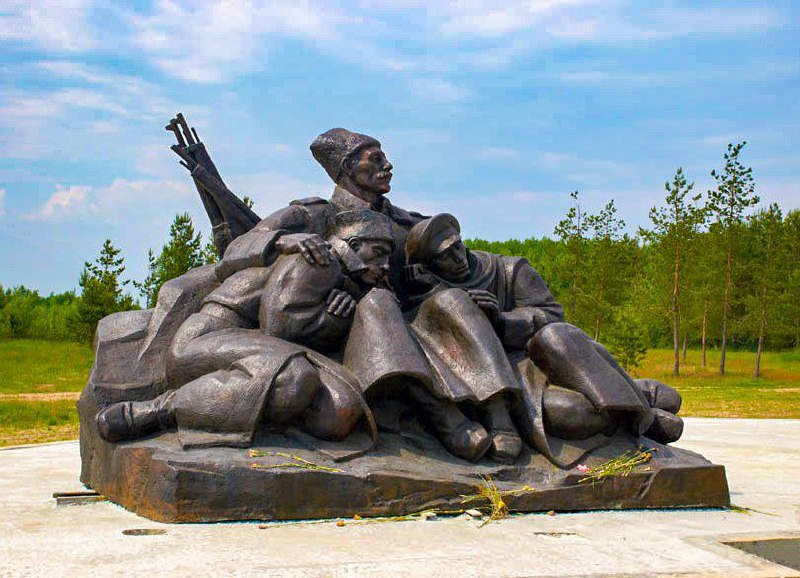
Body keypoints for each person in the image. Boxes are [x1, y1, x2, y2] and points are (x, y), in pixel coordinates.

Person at [95, 209, 398, 448]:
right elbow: (280, 326)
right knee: (295, 378)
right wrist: (336, 319)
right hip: (206, 338)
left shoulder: (340, 276)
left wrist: (345, 302)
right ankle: (157, 411)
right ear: (354, 245)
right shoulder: (321, 258)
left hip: (245, 346)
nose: (386, 265)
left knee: (340, 409)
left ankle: (257, 415)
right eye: (379, 252)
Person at [404, 213, 684, 446]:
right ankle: (637, 394)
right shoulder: (436, 293)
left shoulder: (510, 270)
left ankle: (642, 417)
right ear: (431, 266)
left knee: (554, 336)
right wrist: (430, 288)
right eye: (445, 257)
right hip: (518, 379)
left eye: (457, 247)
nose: (458, 258)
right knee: (576, 414)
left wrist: (503, 320)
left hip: (557, 357)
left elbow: (552, 315)